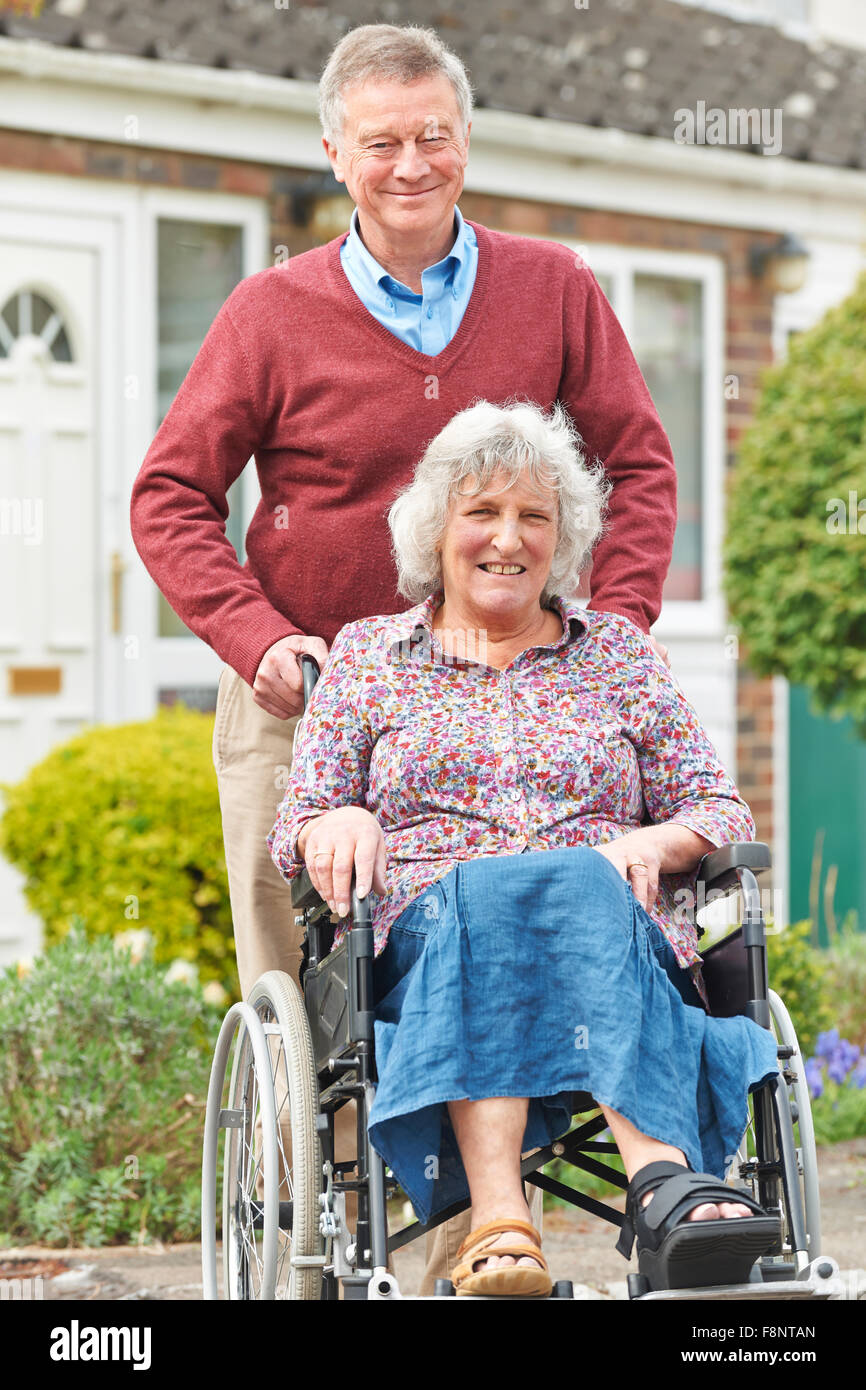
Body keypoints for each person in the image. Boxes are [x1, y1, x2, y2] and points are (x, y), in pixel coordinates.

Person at [129, 22, 678, 1287]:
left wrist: (624, 627)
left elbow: (637, 463)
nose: (412, 162)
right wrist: (259, 639)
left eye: (434, 135)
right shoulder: (269, 310)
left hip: (504, 687)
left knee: (480, 944)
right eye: (382, 142)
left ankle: (461, 1257)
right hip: (305, 694)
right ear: (336, 154)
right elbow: (168, 495)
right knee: (317, 1000)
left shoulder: (551, 288)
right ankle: (320, 1259)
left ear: (466, 140)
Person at [268, 399, 781, 1299]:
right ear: (437, 532)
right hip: (434, 943)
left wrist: (653, 842)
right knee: (493, 892)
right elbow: (297, 819)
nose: (508, 538)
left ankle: (599, 1199)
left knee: (573, 879)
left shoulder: (615, 655)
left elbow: (718, 807)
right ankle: (613, 1194)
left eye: (534, 517)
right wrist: (333, 821)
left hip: (610, 939)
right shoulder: (368, 657)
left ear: (563, 539)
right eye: (483, 513)